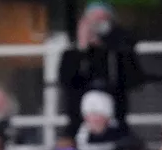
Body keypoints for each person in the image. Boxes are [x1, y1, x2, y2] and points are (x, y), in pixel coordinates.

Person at [58, 1, 140, 133]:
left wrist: (118, 46)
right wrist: (81, 48)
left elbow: (134, 81)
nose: (98, 24)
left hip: (116, 122)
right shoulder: (71, 54)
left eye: (103, 19)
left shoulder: (119, 53)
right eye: (94, 20)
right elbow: (66, 81)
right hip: (79, 124)